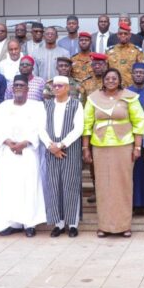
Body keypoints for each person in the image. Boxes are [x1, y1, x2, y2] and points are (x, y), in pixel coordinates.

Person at [83, 69, 144, 237]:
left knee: (123, 185)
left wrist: (138, 147)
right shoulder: (93, 98)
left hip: (124, 145)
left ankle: (124, 225)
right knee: (103, 186)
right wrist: (85, 148)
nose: (111, 80)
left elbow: (139, 121)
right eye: (108, 78)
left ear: (119, 80)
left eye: (114, 78)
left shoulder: (129, 96)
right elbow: (87, 124)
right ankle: (104, 225)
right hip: (100, 146)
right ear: (103, 81)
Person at [0, 75, 47, 237]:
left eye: (22, 85)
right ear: (12, 89)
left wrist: (24, 143)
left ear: (28, 89)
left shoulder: (37, 106)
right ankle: (10, 223)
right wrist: (8, 142)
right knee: (8, 188)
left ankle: (29, 223)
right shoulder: (3, 107)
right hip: (7, 153)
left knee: (28, 188)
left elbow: (40, 128)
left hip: (27, 153)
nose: (19, 88)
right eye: (16, 86)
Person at [40, 76, 84, 237]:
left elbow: (78, 128)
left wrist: (60, 145)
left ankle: (72, 223)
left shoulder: (76, 104)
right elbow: (40, 128)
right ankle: (58, 223)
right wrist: (50, 145)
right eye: (54, 86)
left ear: (67, 88)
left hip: (70, 150)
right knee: (54, 185)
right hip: (51, 150)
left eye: (60, 86)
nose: (56, 88)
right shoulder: (46, 105)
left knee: (70, 185)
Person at [126, 63, 144, 215]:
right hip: (130, 138)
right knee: (133, 173)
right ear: (132, 74)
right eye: (136, 72)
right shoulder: (126, 92)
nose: (139, 75)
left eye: (142, 72)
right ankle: (134, 204)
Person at [106, 22, 144, 87]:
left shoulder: (137, 51)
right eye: (120, 34)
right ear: (117, 35)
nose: (123, 35)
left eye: (125, 34)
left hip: (131, 88)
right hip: (113, 87)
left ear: (130, 35)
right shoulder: (109, 51)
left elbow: (142, 71)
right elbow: (106, 71)